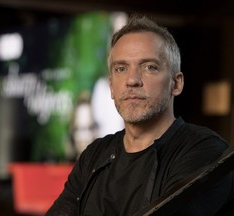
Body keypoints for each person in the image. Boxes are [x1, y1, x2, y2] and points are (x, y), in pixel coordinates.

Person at [45, 14, 233, 215]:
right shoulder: (94, 156)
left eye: (149, 67)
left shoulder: (204, 151)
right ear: (111, 87)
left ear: (176, 83)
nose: (132, 80)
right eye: (121, 68)